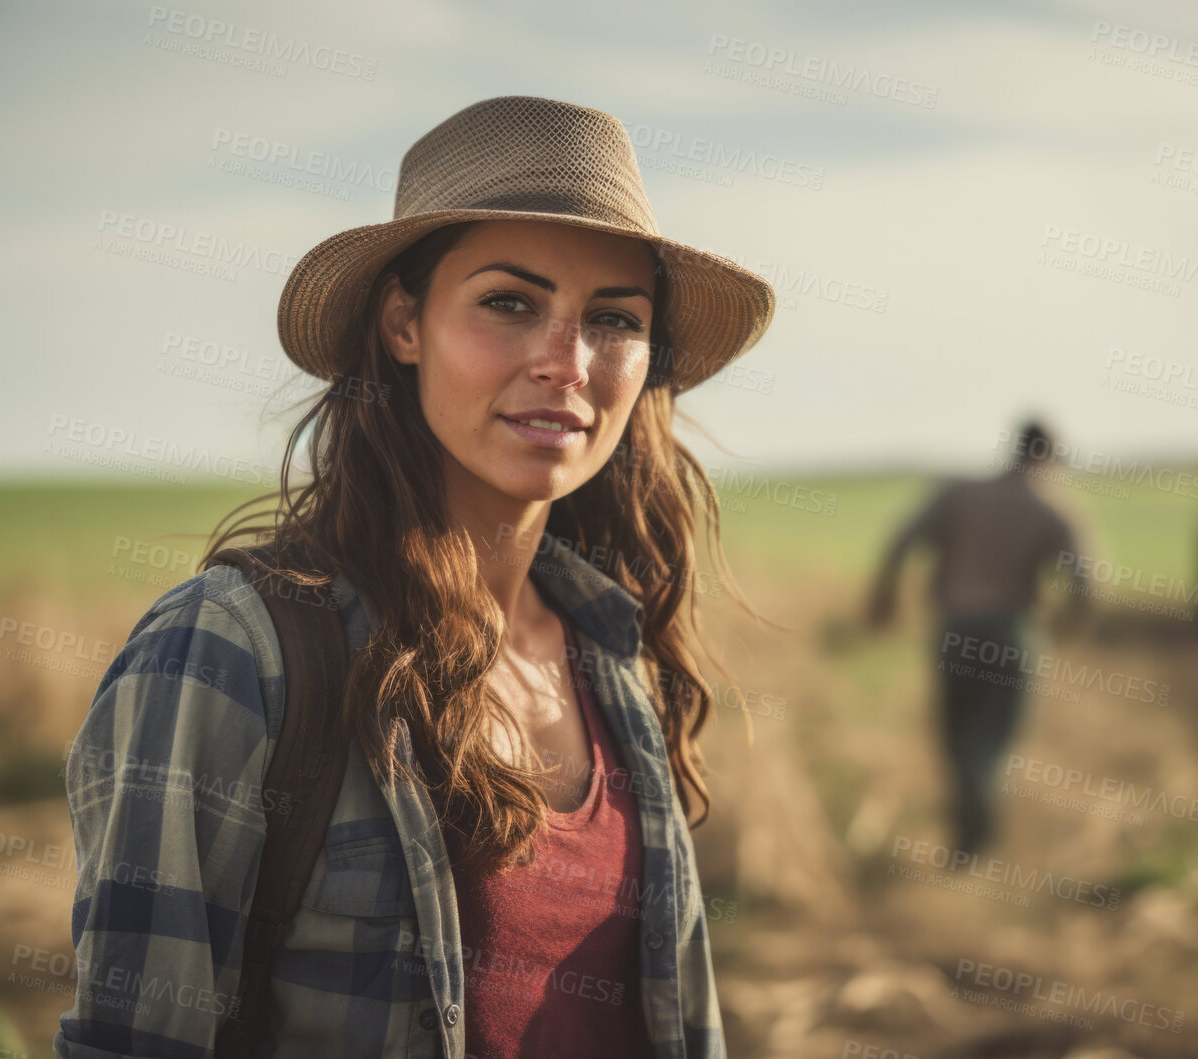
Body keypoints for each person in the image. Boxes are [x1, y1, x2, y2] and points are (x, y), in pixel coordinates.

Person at [56, 96, 777, 1059]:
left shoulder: (613, 651)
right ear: (403, 323)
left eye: (612, 319)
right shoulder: (234, 651)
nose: (567, 362)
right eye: (509, 302)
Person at [864, 419, 1086, 857]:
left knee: (956, 736)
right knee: (995, 738)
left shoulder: (958, 494)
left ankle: (969, 831)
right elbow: (1085, 580)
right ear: (1047, 458)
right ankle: (978, 828)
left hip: (958, 629)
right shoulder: (1052, 509)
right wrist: (1068, 627)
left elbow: (901, 540)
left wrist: (884, 597)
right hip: (1014, 633)